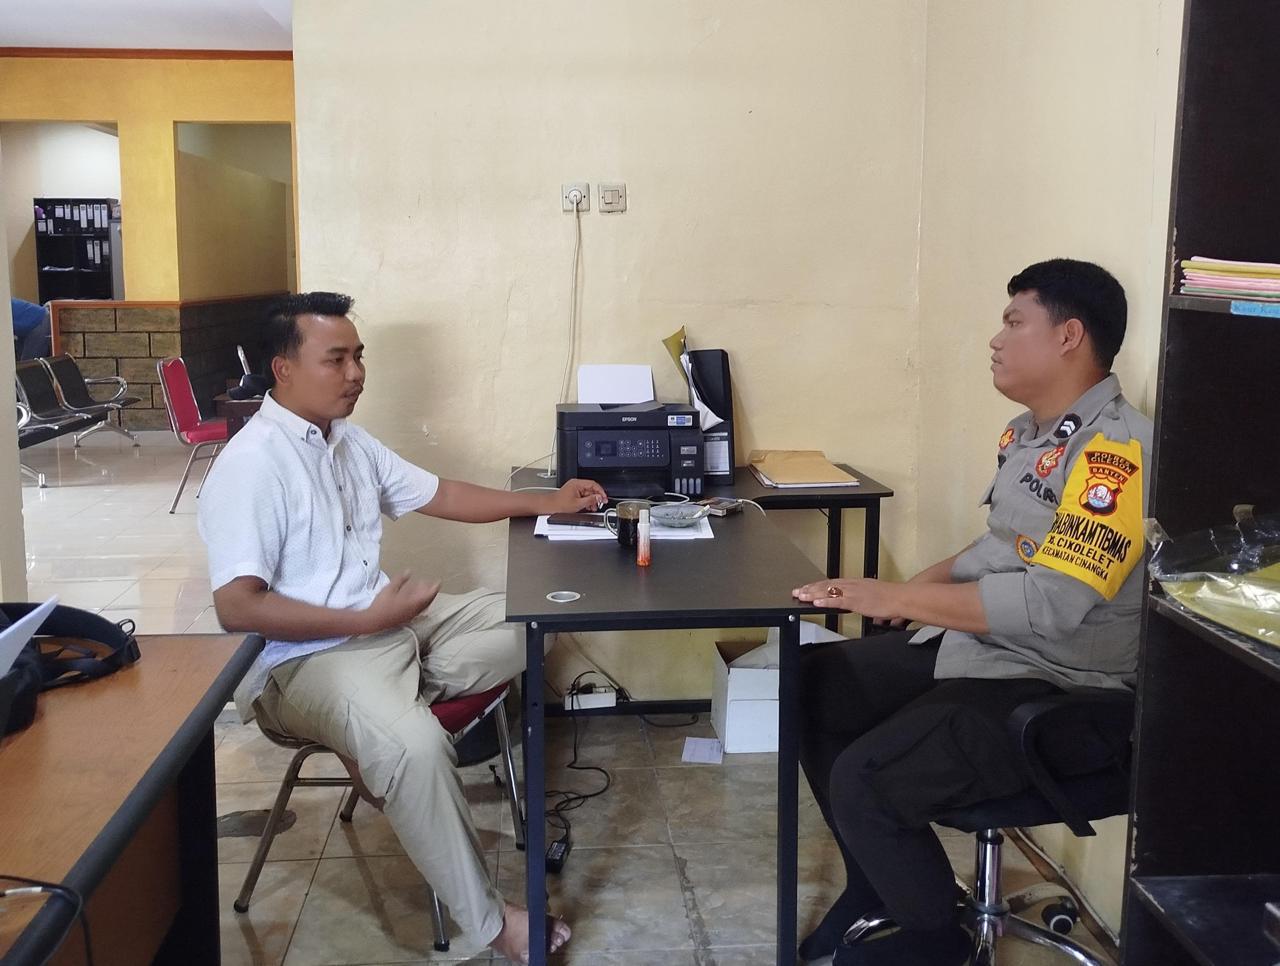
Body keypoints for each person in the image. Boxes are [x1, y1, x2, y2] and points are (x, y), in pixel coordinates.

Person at [197, 292, 606, 964]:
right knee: (415, 747)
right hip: (309, 659)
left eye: (359, 357)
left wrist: (548, 502)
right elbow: (237, 607)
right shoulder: (251, 464)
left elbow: (442, 494)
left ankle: (385, 715)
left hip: (389, 627)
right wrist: (366, 620)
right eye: (337, 359)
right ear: (283, 369)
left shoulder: (346, 441)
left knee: (540, 616)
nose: (356, 373)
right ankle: (492, 922)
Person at [790, 259, 1152, 965]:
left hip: (1063, 683)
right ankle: (878, 888)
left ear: (1069, 336)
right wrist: (917, 584)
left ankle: (935, 940)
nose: (996, 338)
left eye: (1015, 322)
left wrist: (895, 597)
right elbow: (1002, 545)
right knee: (815, 683)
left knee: (868, 777)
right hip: (997, 650)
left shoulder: (1117, 454)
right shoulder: (1031, 434)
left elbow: (1050, 603)